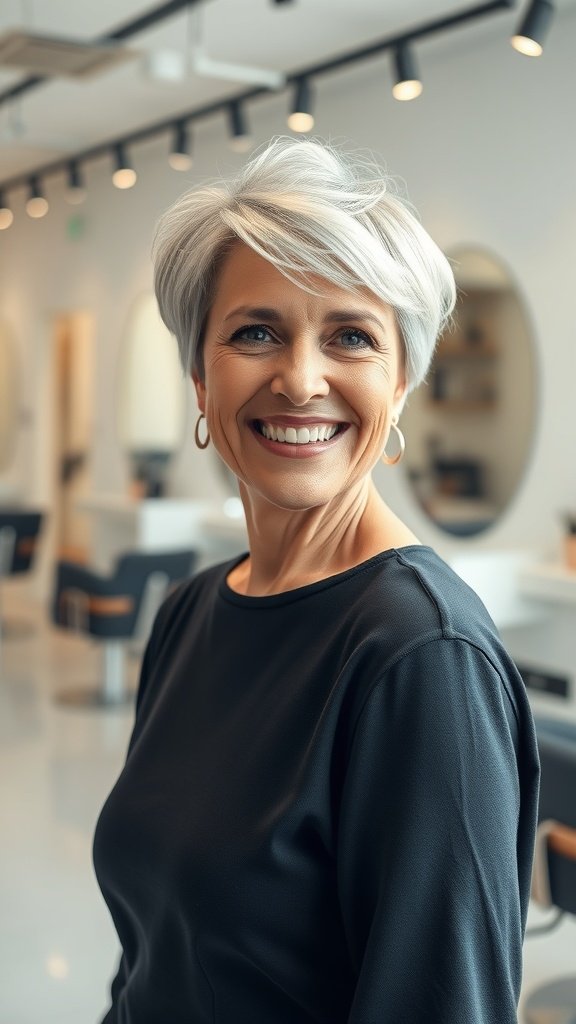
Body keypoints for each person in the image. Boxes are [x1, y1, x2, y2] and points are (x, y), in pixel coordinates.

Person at [93, 137, 540, 1023]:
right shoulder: (192, 612)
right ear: (198, 372)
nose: (300, 379)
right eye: (255, 331)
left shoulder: (423, 659)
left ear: (401, 379)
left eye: (352, 337)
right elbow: (156, 956)